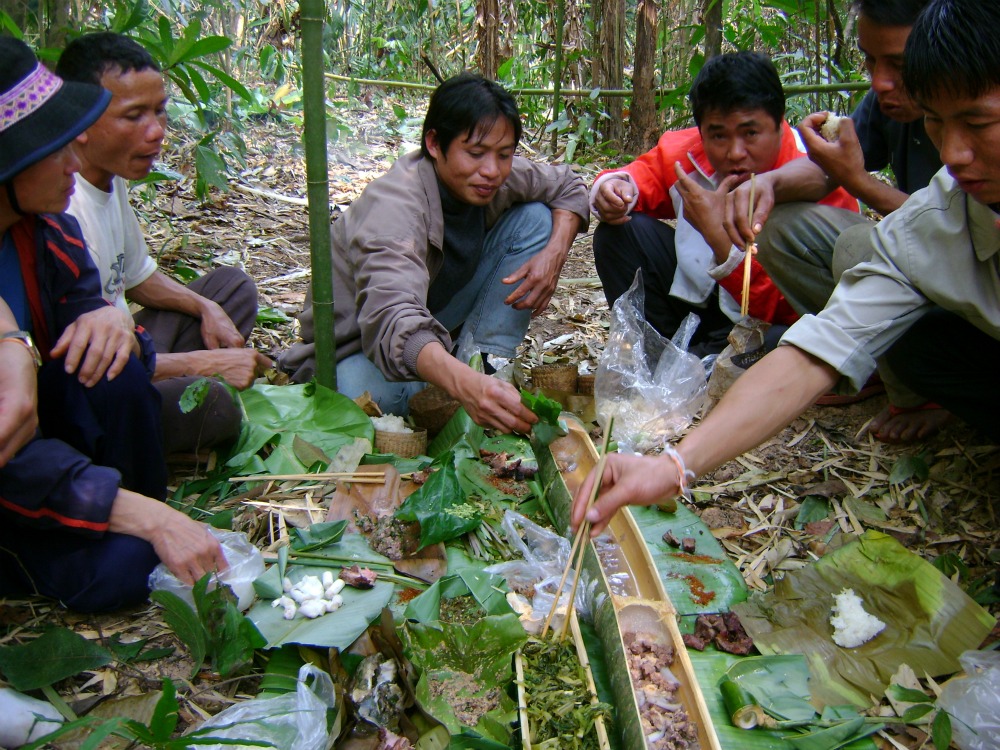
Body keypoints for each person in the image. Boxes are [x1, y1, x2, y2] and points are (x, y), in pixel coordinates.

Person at [572, 0, 1000, 537]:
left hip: (760, 313)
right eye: (937, 124)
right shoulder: (935, 220)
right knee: (902, 335)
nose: (955, 155)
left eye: (978, 122)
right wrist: (674, 465)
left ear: (777, 127)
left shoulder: (829, 184)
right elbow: (821, 344)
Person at [0, 37, 226, 612]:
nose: (74, 163)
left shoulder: (47, 230)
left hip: (49, 448)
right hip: (16, 478)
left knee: (115, 361)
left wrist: (110, 322)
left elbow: (91, 306)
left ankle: (134, 511)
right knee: (126, 569)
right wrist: (135, 512)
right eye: (56, 148)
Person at [279, 72, 590, 432]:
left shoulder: (491, 175)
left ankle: (486, 365)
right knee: (369, 400)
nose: (491, 170)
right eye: (475, 153)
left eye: (504, 154)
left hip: (433, 316)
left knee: (536, 218)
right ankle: (464, 382)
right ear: (434, 143)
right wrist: (462, 385)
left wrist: (554, 254)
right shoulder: (395, 210)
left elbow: (569, 186)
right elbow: (394, 319)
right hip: (359, 349)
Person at [725, 0, 945, 441]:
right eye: (869, 59)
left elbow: (958, 227)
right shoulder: (889, 106)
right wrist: (771, 183)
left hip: (968, 277)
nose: (880, 82)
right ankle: (872, 364)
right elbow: (824, 171)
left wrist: (861, 183)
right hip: (923, 262)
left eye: (900, 64)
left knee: (861, 247)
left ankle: (929, 393)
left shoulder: (975, 110)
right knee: (784, 227)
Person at [56, 32, 271, 456]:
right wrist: (204, 365)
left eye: (159, 111)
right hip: (102, 380)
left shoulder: (109, 177)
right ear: (79, 120)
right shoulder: (62, 206)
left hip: (135, 347)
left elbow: (135, 276)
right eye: (134, 115)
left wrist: (205, 307)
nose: (156, 132)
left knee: (230, 290)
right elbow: (83, 363)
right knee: (216, 406)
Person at [590, 51, 859, 357]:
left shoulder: (819, 177)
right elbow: (639, 177)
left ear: (780, 124)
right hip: (699, 301)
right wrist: (612, 190)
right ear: (702, 131)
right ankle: (656, 359)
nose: (735, 152)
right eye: (718, 135)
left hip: (770, 320)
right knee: (621, 234)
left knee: (784, 344)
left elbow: (804, 305)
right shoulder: (688, 153)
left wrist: (718, 236)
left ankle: (705, 367)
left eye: (751, 133)